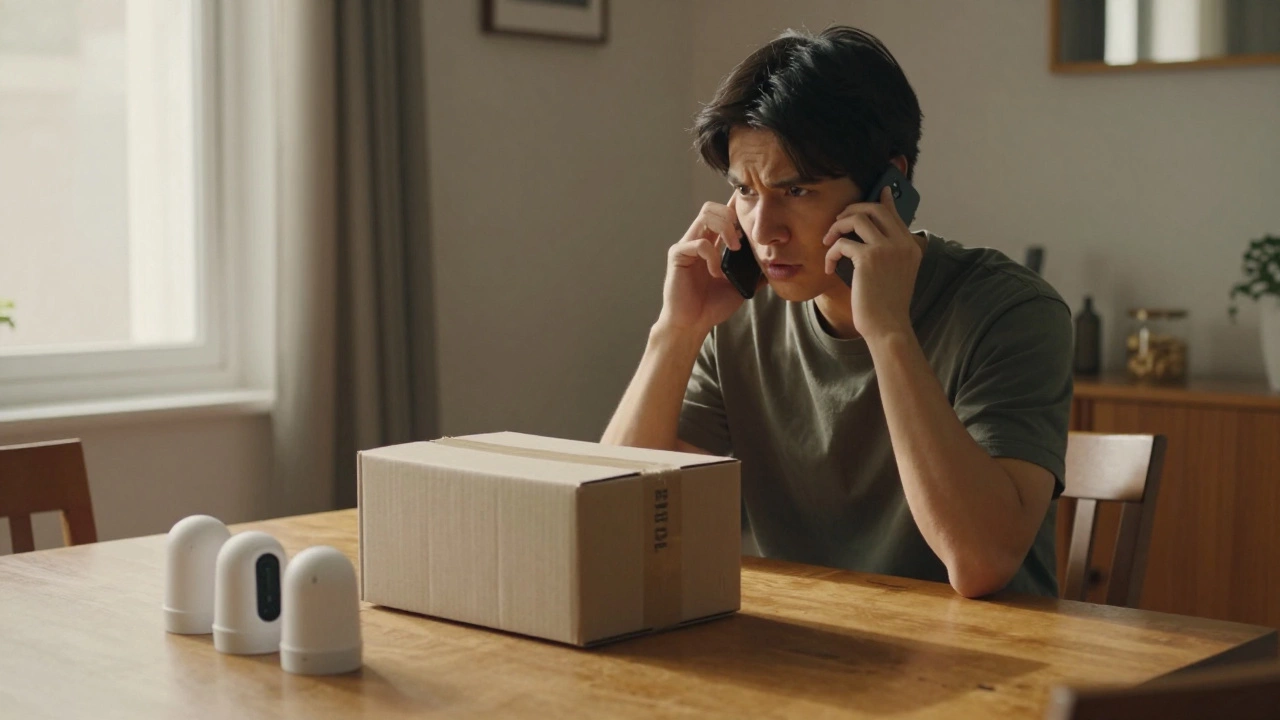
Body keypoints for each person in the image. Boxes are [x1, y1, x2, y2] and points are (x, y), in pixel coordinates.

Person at [601, 26, 1073, 598]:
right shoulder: (736, 318)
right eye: (745, 192)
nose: (764, 230)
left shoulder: (1012, 311)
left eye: (795, 192)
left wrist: (890, 332)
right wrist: (675, 332)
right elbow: (614, 524)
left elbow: (980, 562)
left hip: (989, 669)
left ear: (888, 187)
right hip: (804, 657)